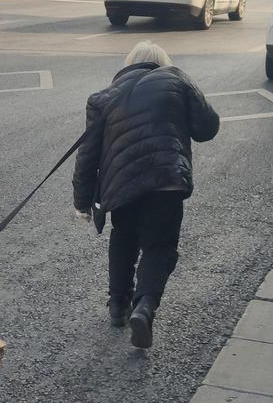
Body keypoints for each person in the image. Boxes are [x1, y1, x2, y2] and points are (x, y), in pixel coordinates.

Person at [72, 41, 220, 349]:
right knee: (159, 246)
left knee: (123, 237)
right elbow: (207, 127)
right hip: (166, 180)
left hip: (122, 185)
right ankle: (145, 307)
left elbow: (87, 155)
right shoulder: (176, 79)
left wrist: (82, 201)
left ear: (128, 64)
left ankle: (117, 305)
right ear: (162, 63)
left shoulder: (103, 98)